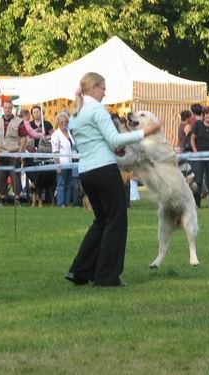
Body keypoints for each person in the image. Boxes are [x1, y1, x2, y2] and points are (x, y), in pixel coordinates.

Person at [65, 72, 161, 287]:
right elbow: (114, 138)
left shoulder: (76, 113)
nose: (105, 92)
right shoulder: (97, 109)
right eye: (103, 87)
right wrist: (144, 132)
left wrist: (111, 148)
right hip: (104, 170)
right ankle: (107, 276)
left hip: (86, 172)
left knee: (101, 221)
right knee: (116, 221)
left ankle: (79, 270)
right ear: (93, 88)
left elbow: (94, 141)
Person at [0, 99, 27, 206]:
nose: (7, 110)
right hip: (0, 154)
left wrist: (19, 152)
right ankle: (2, 199)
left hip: (13, 153)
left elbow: (24, 138)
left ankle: (17, 199)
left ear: (12, 108)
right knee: (1, 177)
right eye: (6, 108)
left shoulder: (19, 121)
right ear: (3, 108)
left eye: (9, 108)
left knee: (15, 177)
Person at [51, 111, 75, 207]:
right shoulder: (55, 135)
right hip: (61, 163)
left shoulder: (69, 132)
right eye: (62, 122)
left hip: (70, 163)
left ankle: (67, 203)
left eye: (66, 121)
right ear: (58, 123)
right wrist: (58, 165)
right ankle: (60, 204)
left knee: (69, 184)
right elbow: (55, 151)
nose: (64, 123)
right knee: (61, 185)